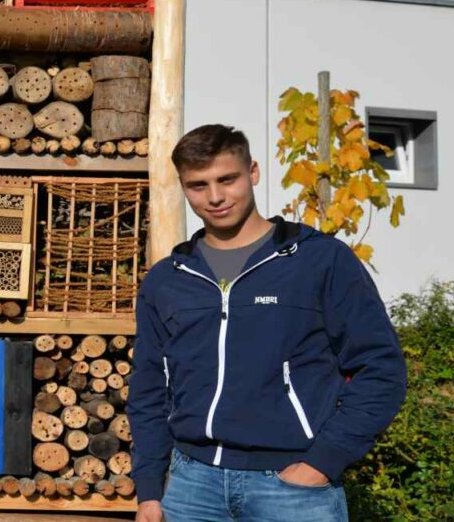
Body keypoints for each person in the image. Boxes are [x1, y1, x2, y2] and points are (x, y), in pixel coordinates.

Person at [127, 125, 407, 522]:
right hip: (191, 487)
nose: (216, 196)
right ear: (183, 187)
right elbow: (149, 388)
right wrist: (150, 492)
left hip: (292, 489)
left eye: (227, 179)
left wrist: (322, 463)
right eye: (198, 185)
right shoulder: (167, 279)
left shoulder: (320, 261)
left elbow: (382, 370)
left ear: (253, 172)